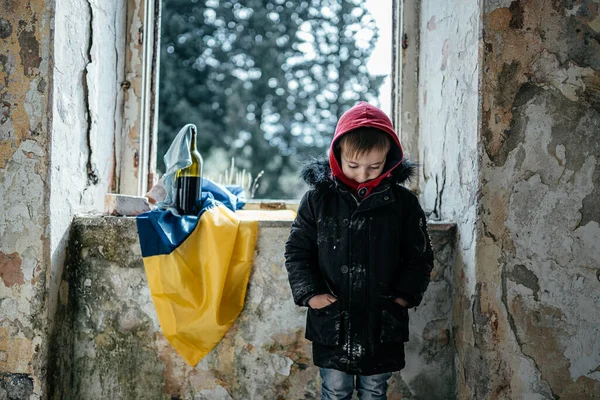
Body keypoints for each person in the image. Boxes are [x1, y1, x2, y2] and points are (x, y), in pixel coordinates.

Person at [284, 102, 434, 400]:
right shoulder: (317, 200)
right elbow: (297, 252)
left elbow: (420, 256)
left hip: (382, 318)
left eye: (374, 167)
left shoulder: (402, 204)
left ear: (389, 160)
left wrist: (403, 296)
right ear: (337, 156)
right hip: (333, 319)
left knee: (375, 388)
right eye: (353, 166)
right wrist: (311, 294)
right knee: (335, 389)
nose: (362, 175)